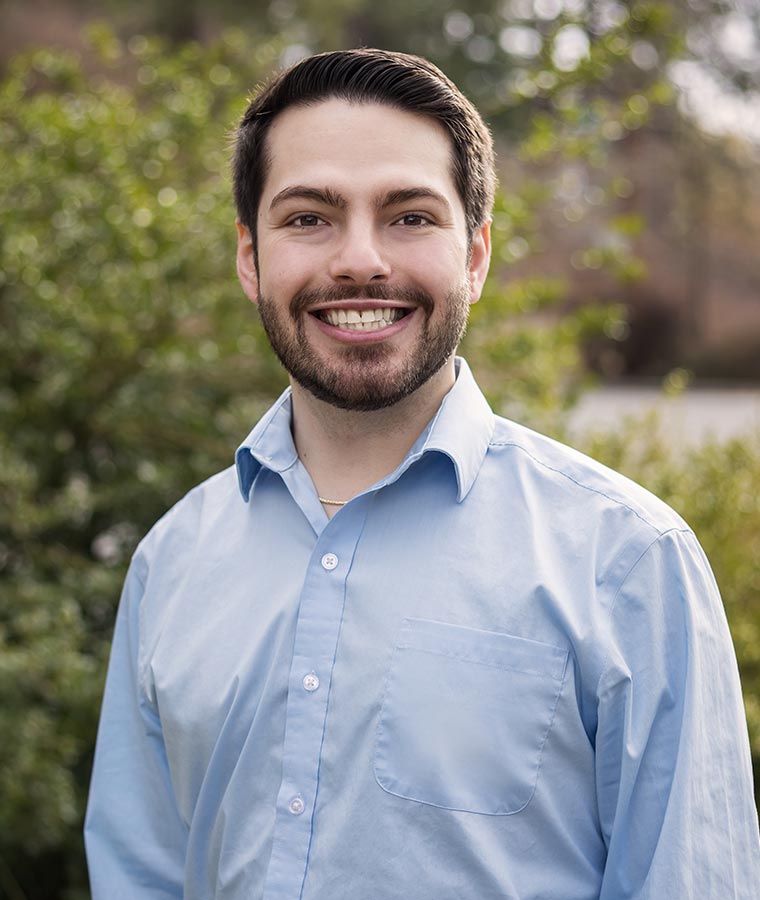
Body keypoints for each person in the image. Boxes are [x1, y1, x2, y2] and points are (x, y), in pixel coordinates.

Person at [84, 48, 760, 899]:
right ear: (250, 258)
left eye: (409, 216)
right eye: (308, 219)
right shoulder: (170, 563)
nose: (360, 260)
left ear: (475, 255)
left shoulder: (629, 562)